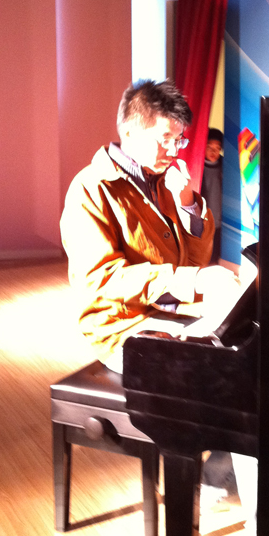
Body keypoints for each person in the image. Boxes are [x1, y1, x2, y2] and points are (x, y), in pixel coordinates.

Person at [60, 79, 239, 373]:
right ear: (130, 132)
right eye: (164, 138)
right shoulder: (90, 188)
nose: (174, 150)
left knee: (237, 347)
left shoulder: (165, 182)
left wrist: (187, 204)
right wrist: (193, 281)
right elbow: (101, 279)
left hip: (170, 314)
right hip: (121, 327)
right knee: (206, 374)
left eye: (179, 140)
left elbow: (194, 262)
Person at [200, 127, 223, 264]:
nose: (214, 152)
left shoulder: (225, 167)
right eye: (209, 147)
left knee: (218, 257)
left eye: (217, 148)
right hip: (203, 223)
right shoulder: (197, 167)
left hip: (221, 223)